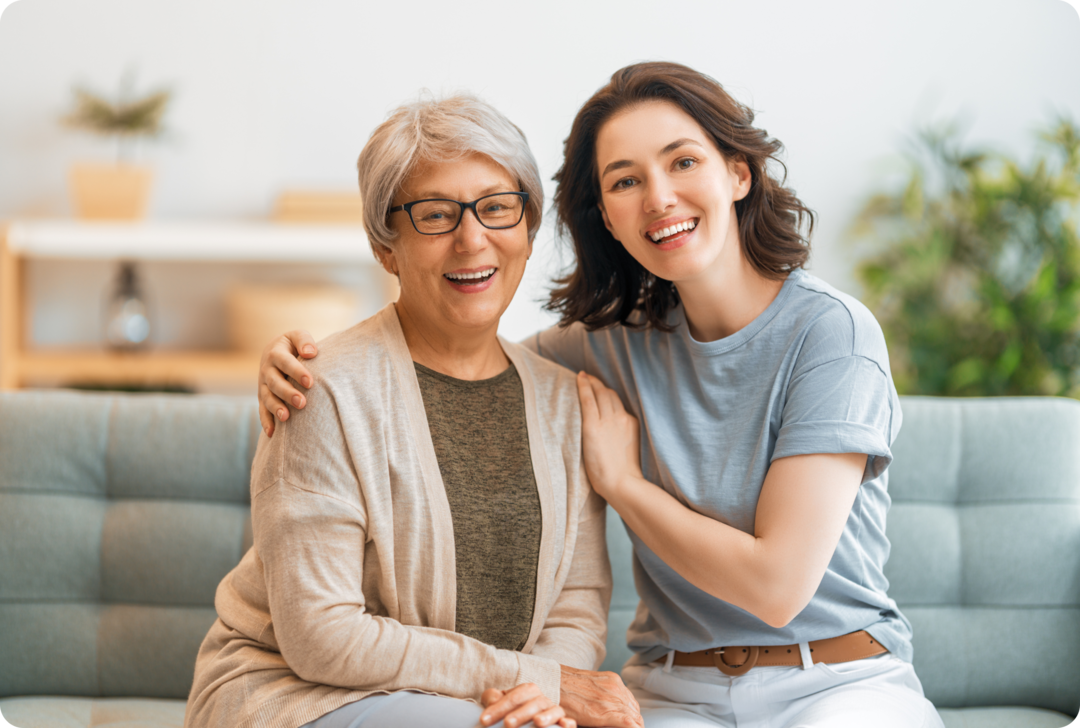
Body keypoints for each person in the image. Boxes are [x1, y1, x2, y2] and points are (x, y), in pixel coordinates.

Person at [256, 63, 944, 727]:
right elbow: (443, 369)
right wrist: (298, 365)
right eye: (625, 180)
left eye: (682, 162)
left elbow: (776, 586)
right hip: (680, 689)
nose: (659, 198)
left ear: (738, 172)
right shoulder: (600, 350)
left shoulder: (831, 334)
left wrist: (625, 484)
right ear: (607, 218)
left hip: (836, 683)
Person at [184, 93, 645, 728]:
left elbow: (577, 604)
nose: (472, 238)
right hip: (298, 695)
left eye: (497, 208)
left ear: (528, 229)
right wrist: (535, 680)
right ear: (385, 246)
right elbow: (322, 635)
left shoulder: (566, 399)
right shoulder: (320, 391)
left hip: (478, 706)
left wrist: (542, 699)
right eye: (434, 215)